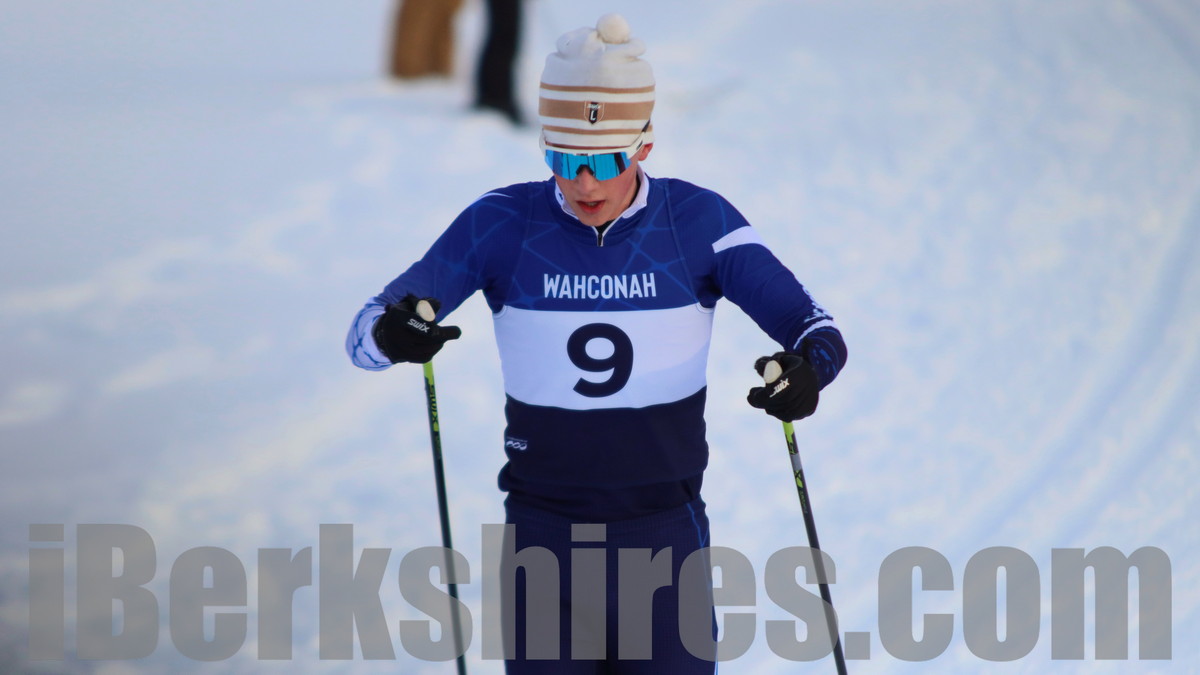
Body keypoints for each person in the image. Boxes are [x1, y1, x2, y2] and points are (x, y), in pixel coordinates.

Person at [348, 13, 847, 673]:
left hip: (665, 541)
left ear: (643, 144)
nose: (584, 182)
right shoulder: (501, 223)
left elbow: (815, 328)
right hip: (543, 545)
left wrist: (806, 372)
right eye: (564, 158)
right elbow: (366, 331)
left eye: (606, 159)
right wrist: (393, 332)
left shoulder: (698, 221)